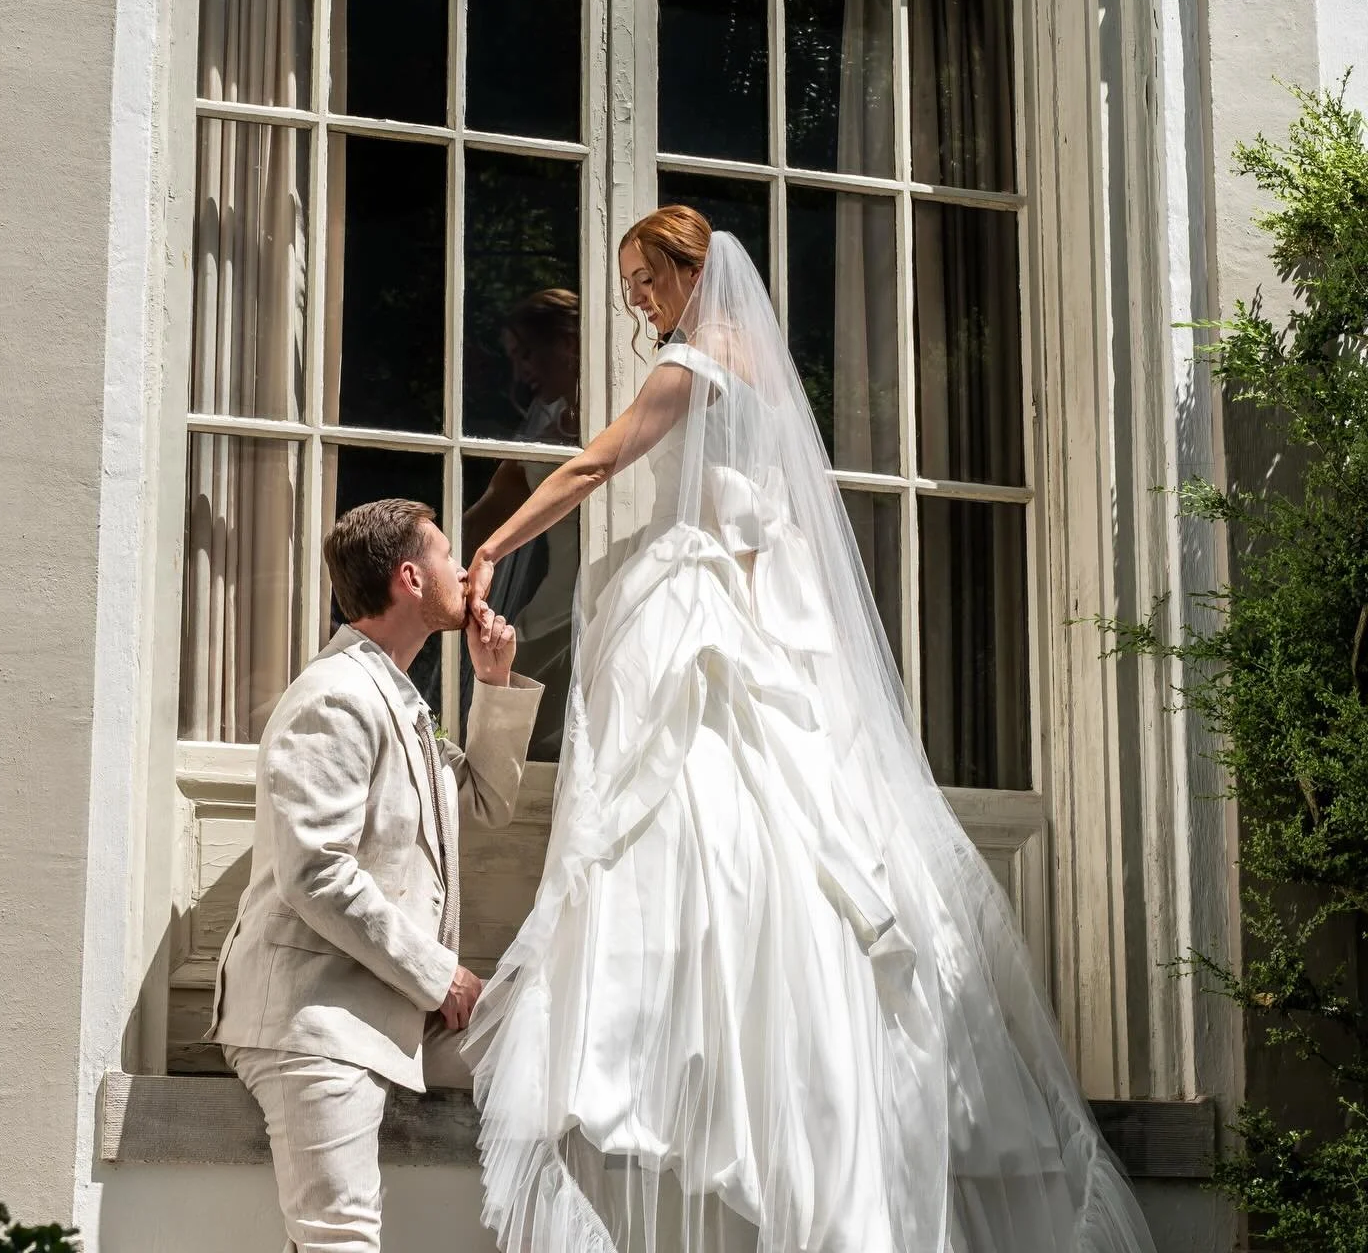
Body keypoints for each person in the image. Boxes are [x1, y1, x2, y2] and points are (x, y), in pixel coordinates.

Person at [462, 207, 1158, 1252]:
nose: (637, 302)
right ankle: (751, 1062)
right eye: (628, 288)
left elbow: (593, 467)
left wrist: (488, 550)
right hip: (758, 600)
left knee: (699, 811)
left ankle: (675, 1045)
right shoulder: (761, 370)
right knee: (775, 824)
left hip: (707, 600)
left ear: (691, 269)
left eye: (645, 279)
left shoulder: (691, 368)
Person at [207, 499, 542, 1253]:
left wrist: (494, 681)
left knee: (547, 1038)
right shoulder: (334, 697)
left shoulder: (399, 697)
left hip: (387, 1015)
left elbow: (484, 801)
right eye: (452, 557)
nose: (466, 573)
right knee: (339, 1241)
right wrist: (444, 978)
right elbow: (316, 873)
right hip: (315, 1024)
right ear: (410, 577)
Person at [463, 286, 582, 757]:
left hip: (605, 591)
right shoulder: (544, 424)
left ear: (570, 342)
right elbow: (493, 505)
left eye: (528, 354)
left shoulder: (626, 415)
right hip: (557, 594)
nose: (520, 372)